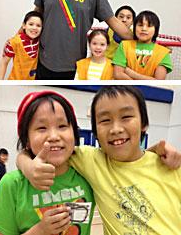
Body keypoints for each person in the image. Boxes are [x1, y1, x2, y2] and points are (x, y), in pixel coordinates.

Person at [17, 86, 181, 233]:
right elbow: (51, 151)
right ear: (95, 132)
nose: (116, 129)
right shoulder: (92, 160)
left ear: (144, 123)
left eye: (126, 117)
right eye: (105, 120)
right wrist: (28, 166)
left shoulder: (173, 166)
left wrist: (156, 150)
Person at [0, 91, 95, 235]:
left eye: (62, 126)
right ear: (27, 140)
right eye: (42, 128)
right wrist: (39, 231)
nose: (54, 136)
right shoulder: (12, 184)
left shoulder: (87, 174)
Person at [112, 10, 173, 80]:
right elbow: (118, 74)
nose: (144, 29)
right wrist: (148, 79)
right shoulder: (124, 45)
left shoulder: (163, 52)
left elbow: (158, 82)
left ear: (156, 30)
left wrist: (131, 73)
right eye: (140, 25)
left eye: (149, 26)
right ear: (134, 28)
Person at [0, 11, 43, 80]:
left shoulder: (40, 41)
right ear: (24, 26)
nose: (34, 28)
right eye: (31, 24)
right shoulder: (15, 42)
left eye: (38, 25)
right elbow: (4, 62)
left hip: (31, 86)